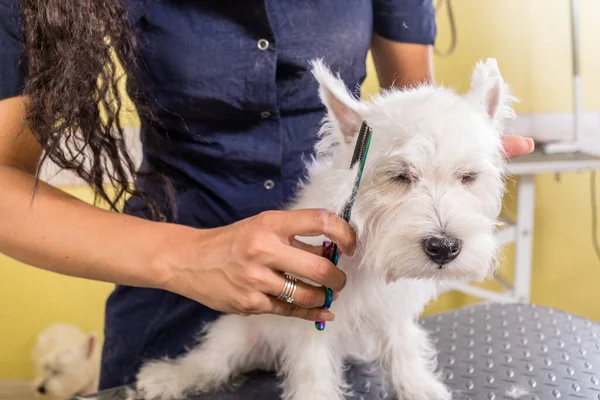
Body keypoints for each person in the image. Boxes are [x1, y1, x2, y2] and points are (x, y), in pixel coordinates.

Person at [0, 0, 534, 391]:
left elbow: (413, 106)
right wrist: (188, 257)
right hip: (166, 280)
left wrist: (457, 150)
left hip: (349, 289)